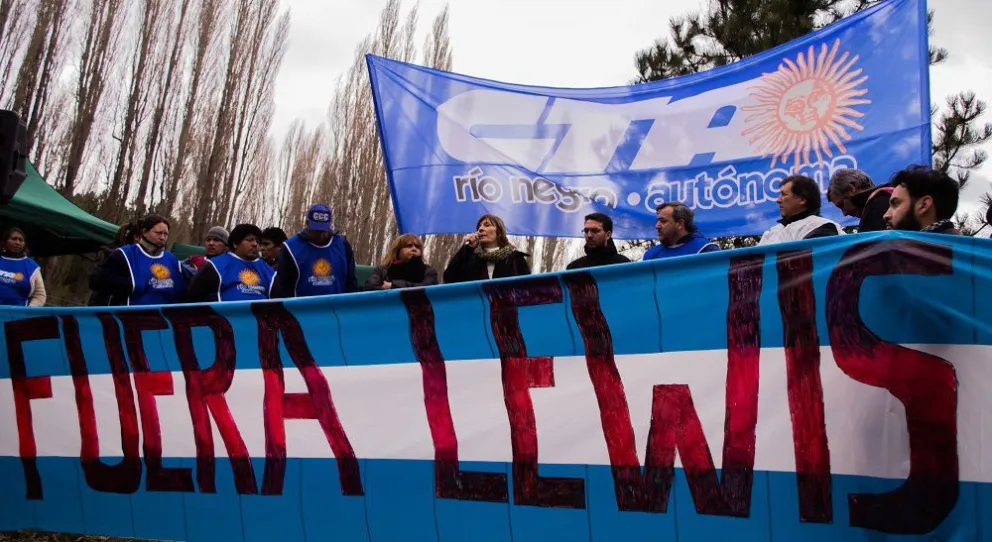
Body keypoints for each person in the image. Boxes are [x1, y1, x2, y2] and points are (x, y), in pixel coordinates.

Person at [89, 215, 186, 305]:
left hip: (163, 319)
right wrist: (133, 285)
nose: (162, 238)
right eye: (158, 233)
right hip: (129, 317)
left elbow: (183, 292)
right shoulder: (123, 254)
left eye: (166, 234)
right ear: (145, 232)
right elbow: (96, 281)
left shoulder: (172, 260)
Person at [272, 204, 358, 298]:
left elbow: (351, 282)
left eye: (323, 230)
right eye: (316, 230)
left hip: (337, 309)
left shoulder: (343, 245)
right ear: (307, 223)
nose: (320, 235)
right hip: (303, 309)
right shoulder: (290, 248)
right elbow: (283, 286)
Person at [187, 224, 275, 302]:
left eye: (258, 241)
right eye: (250, 240)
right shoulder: (214, 266)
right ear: (235, 244)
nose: (255, 244)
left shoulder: (268, 270)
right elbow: (192, 297)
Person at [758, 175, 843, 246]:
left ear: (802, 199)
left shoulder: (822, 227)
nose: (778, 200)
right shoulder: (771, 233)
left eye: (784, 195)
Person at [443, 214, 530, 283]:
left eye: (487, 225)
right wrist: (467, 248)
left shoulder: (516, 259)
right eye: (479, 227)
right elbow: (449, 278)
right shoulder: (470, 256)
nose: (480, 229)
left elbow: (527, 288)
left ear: (499, 232)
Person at [883, 165, 961, 234]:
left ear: (924, 205)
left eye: (896, 203)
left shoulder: (929, 249)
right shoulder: (961, 247)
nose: (886, 215)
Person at [643, 202, 720, 260]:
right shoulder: (651, 255)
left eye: (663, 221)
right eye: (658, 221)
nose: (657, 226)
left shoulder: (705, 250)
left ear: (679, 224)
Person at [364, 234, 439, 290]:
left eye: (417, 246)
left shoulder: (429, 271)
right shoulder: (382, 270)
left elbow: (427, 288)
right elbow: (370, 286)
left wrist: (393, 286)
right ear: (398, 250)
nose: (414, 249)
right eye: (409, 246)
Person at [827, 168, 892, 232]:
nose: (844, 213)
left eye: (842, 204)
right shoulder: (889, 197)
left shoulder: (875, 209)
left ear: (851, 188)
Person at [566, 213, 631, 269]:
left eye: (595, 231)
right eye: (586, 231)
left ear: (608, 235)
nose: (589, 235)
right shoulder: (574, 268)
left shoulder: (624, 265)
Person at [0, 227, 46, 306]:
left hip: (16, 316)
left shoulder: (32, 267)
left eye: (21, 240)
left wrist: (28, 311)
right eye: (14, 239)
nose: (17, 242)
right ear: (4, 242)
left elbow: (39, 294)